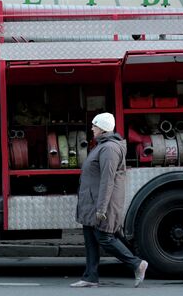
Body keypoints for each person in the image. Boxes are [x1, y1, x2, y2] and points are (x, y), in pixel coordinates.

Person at [71, 112, 148, 288]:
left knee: (103, 237)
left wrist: (101, 208)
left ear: (103, 128)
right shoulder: (101, 146)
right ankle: (90, 277)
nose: (92, 128)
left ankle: (137, 264)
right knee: (90, 236)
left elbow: (108, 179)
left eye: (94, 125)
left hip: (101, 202)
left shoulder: (109, 148)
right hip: (92, 200)